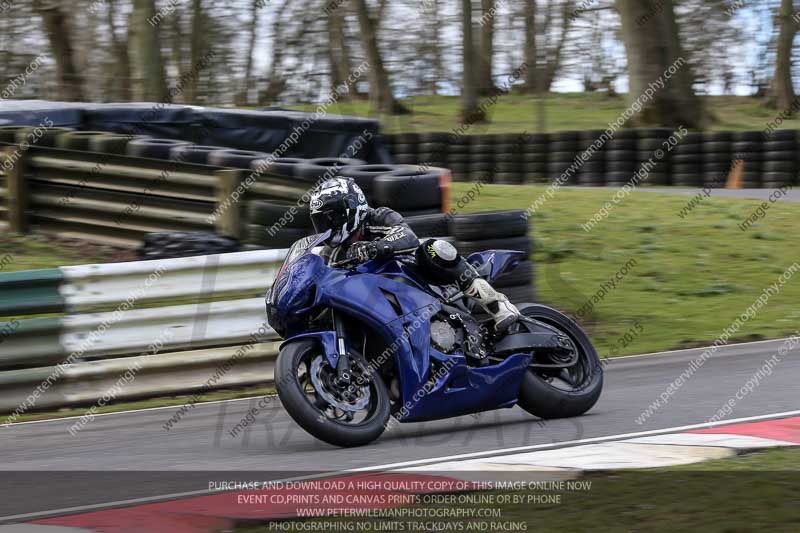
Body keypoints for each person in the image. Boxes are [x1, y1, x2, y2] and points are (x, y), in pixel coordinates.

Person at [308, 177, 521, 332]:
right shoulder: (331, 253)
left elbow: (408, 236)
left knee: (434, 249)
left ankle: (497, 305)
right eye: (321, 222)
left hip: (420, 281)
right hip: (380, 306)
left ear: (350, 210)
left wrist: (376, 247)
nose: (327, 226)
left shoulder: (378, 217)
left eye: (331, 219)